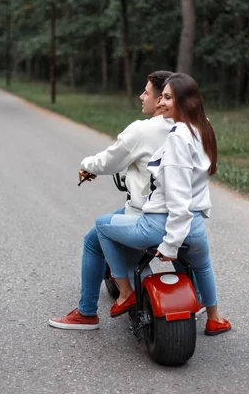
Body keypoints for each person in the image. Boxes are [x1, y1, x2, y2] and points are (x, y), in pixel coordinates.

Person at [94, 73, 231, 336]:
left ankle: (125, 293)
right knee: (202, 266)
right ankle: (214, 317)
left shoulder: (178, 136)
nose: (162, 103)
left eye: (168, 98)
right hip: (196, 224)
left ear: (184, 101)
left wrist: (171, 244)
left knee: (101, 226)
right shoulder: (203, 127)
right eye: (162, 97)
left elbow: (177, 197)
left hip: (162, 224)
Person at [48, 71, 175, 330]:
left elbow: (108, 160)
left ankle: (87, 313)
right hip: (184, 216)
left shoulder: (142, 130)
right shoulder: (193, 125)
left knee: (93, 240)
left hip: (146, 215)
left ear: (161, 98)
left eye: (146, 92)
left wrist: (86, 165)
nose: (141, 96)